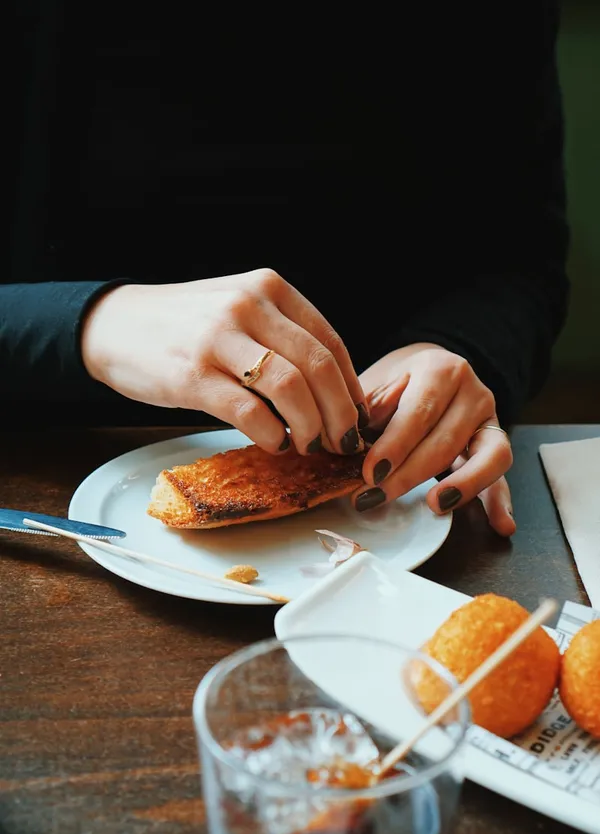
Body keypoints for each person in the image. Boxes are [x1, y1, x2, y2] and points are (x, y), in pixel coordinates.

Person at [2, 2, 569, 538]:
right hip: (51, 473)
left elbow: (520, 257)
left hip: (391, 506)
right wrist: (86, 325)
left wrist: (448, 351)